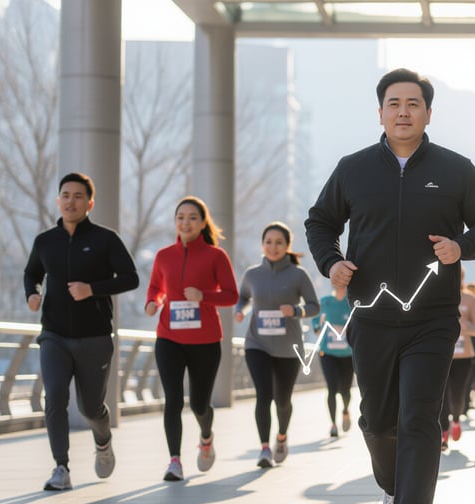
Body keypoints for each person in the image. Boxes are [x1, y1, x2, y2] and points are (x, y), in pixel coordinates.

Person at [305, 68, 475, 504]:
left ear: (428, 113)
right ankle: (394, 488)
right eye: (393, 103)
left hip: (432, 318)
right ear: (380, 112)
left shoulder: (455, 169)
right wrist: (332, 262)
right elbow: (320, 222)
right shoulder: (353, 169)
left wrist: (462, 246)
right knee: (377, 419)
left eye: (413, 104)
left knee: (420, 418)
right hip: (371, 315)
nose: (403, 111)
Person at [23, 172, 139, 491]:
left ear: (89, 202)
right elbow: (32, 272)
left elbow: (131, 278)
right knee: (56, 395)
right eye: (65, 195)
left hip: (95, 337)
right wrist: (32, 293)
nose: (70, 201)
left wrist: (93, 289)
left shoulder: (105, 239)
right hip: (54, 335)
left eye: (77, 196)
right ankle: (61, 467)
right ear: (58, 200)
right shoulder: (45, 241)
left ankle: (103, 440)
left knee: (91, 407)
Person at [145, 196, 239, 481]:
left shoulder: (215, 256)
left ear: (202, 223)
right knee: (172, 399)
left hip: (205, 341)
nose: (186, 222)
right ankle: (174, 461)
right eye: (181, 217)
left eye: (192, 217)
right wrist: (152, 302)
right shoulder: (163, 256)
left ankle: (206, 436)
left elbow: (232, 295)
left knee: (199, 403)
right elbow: (155, 288)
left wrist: (204, 296)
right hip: (169, 338)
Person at [235, 222, 320, 468]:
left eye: (279, 242)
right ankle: (263, 449)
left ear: (287, 246)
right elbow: (243, 297)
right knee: (263, 395)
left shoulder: (298, 274)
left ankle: (281, 437)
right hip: (257, 343)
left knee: (282, 399)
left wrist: (295, 310)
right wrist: (240, 310)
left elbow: (315, 307)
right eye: (269, 242)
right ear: (262, 245)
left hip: (289, 347)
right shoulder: (252, 273)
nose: (273, 247)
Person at [440, 271, 475, 450]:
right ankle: (443, 431)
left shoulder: (470, 299)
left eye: (458, 276)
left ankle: (457, 419)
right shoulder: (436, 296)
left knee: (458, 394)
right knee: (441, 395)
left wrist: (466, 328)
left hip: (463, 356)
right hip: (440, 355)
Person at [311, 286, 355, 438]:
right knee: (331, 388)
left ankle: (345, 410)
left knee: (346, 389)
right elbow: (315, 325)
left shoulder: (350, 304)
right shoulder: (324, 302)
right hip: (327, 353)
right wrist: (318, 326)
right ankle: (333, 424)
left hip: (347, 354)